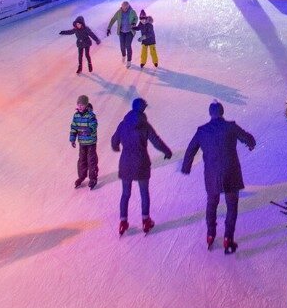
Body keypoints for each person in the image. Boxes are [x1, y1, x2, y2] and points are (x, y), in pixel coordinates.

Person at [180, 101, 257, 254]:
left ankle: (210, 234)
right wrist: (251, 144)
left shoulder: (202, 131)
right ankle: (228, 238)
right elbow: (247, 138)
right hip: (231, 172)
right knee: (232, 206)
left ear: (210, 113)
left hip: (212, 174)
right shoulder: (230, 127)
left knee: (212, 203)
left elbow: (190, 149)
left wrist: (186, 167)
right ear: (222, 112)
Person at [110, 98, 172, 236]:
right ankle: (145, 221)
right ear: (143, 109)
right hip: (141, 163)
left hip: (126, 163)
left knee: (125, 194)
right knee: (144, 193)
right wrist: (167, 151)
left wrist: (116, 147)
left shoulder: (123, 124)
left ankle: (123, 222)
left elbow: (114, 140)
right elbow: (156, 142)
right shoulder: (145, 126)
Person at [70, 95, 98, 190]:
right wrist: (73, 138)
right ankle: (81, 176)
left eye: (82, 105)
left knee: (91, 160)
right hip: (82, 142)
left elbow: (94, 125)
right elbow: (74, 127)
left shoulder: (90, 115)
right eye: (78, 104)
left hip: (90, 142)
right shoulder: (76, 115)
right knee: (82, 160)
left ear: (86, 105)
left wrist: (89, 130)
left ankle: (93, 178)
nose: (80, 106)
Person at [106, 1, 138, 65]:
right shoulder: (119, 12)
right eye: (123, 8)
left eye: (126, 8)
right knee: (122, 46)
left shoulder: (132, 11)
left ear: (128, 7)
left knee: (128, 45)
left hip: (130, 32)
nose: (125, 9)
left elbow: (136, 18)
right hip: (122, 32)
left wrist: (134, 23)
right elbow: (113, 19)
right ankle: (124, 55)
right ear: (122, 7)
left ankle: (129, 61)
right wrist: (109, 28)